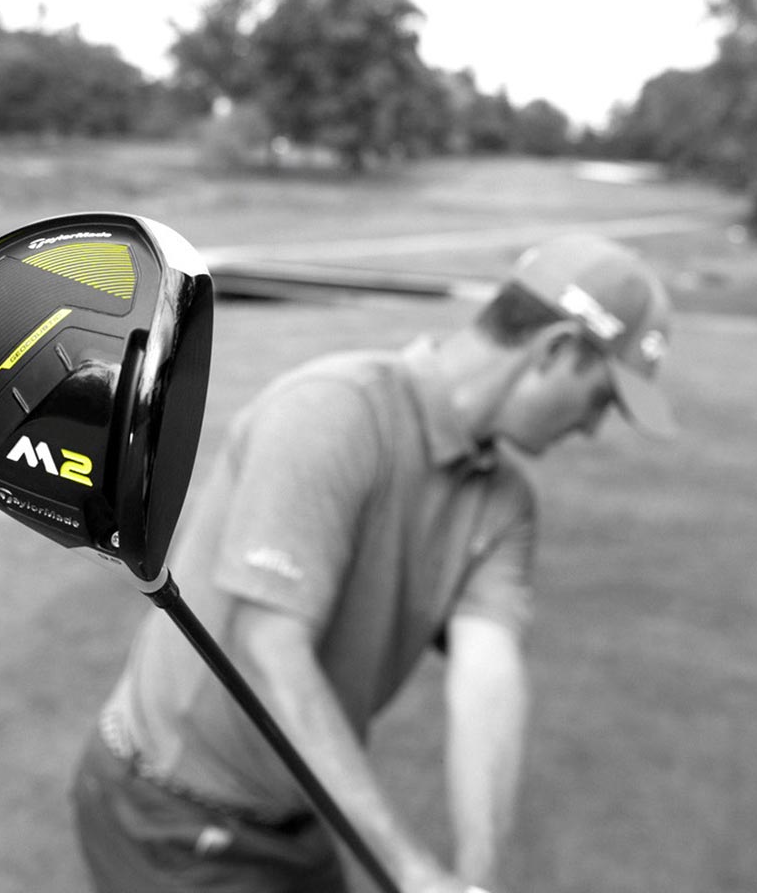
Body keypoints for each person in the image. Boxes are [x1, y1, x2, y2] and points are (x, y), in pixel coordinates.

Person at [70, 233, 678, 893]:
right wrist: (408, 868)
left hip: (298, 816)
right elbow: (270, 650)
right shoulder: (333, 412)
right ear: (556, 349)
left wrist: (476, 879)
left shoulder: (506, 503)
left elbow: (487, 680)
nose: (591, 428)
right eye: (600, 398)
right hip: (166, 818)